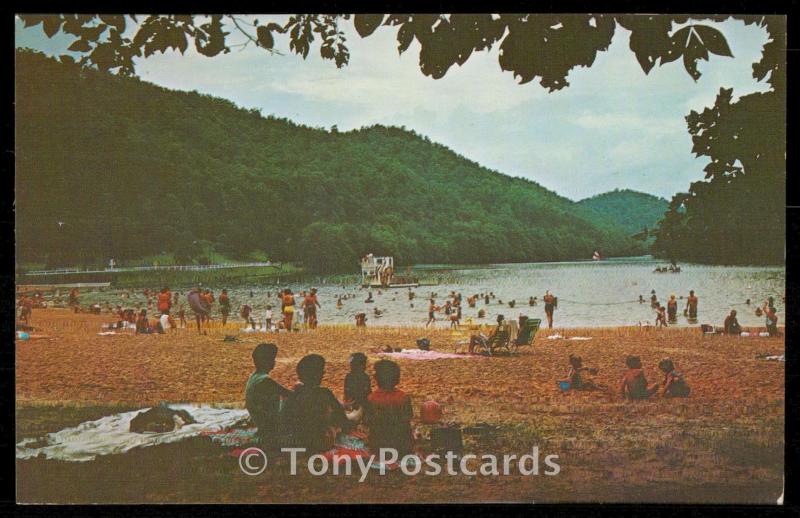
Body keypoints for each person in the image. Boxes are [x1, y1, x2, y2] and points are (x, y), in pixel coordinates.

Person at [283, 354, 351, 453]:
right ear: (317, 374)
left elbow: (286, 416)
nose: (324, 373)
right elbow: (342, 418)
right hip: (319, 442)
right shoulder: (324, 392)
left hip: (297, 440)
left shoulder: (296, 391)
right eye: (321, 371)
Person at [245, 343, 292, 445]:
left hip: (260, 421)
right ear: (266, 361)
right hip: (267, 425)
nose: (274, 362)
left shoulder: (255, 376)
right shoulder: (265, 381)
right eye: (272, 359)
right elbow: (290, 395)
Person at [366, 359, 414, 456]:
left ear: (377, 378)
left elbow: (368, 421)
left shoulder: (372, 398)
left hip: (378, 446)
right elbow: (407, 419)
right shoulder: (403, 397)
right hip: (401, 446)